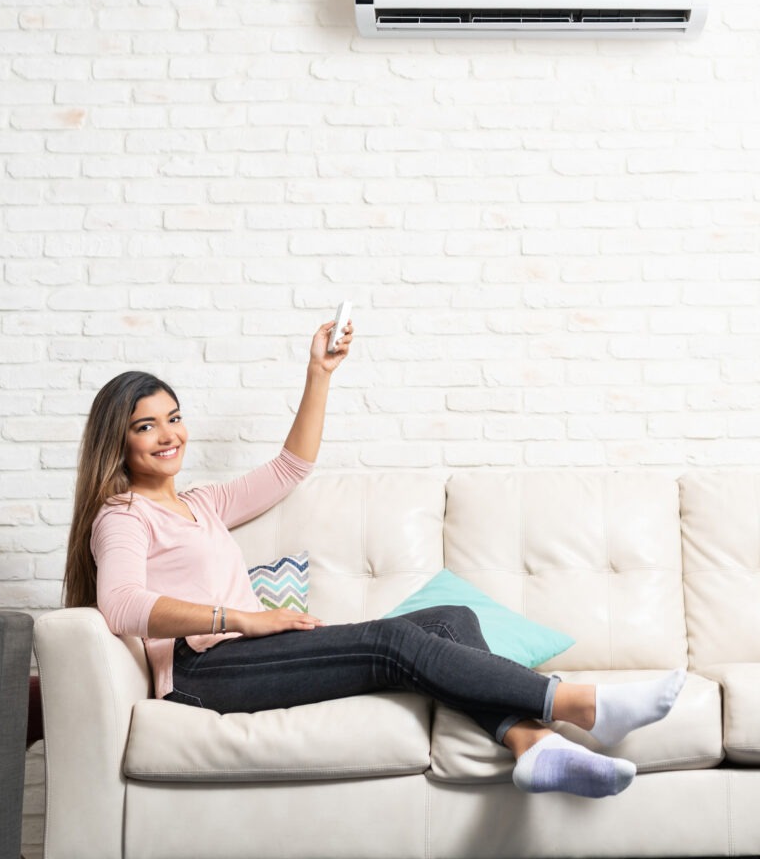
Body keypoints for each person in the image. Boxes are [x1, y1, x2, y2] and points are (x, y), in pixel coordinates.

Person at [61, 316, 685, 798]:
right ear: (118, 438)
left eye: (173, 418)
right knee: (392, 643)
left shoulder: (202, 503)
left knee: (450, 621)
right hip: (204, 676)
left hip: (251, 654)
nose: (169, 435)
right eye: (147, 426)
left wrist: (320, 374)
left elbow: (290, 467)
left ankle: (534, 746)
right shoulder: (122, 517)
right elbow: (119, 606)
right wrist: (241, 619)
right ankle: (580, 705)